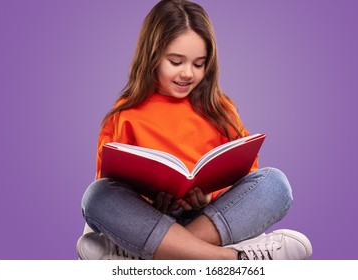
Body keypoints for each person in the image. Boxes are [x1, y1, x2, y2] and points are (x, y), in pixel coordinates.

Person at [77, 0, 312, 260]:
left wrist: (210, 196)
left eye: (198, 64)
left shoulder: (219, 107)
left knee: (275, 184)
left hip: (211, 218)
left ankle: (152, 254)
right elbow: (110, 183)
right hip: (150, 219)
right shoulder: (124, 115)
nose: (188, 73)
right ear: (152, 56)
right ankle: (231, 259)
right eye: (176, 62)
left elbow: (249, 174)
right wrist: (149, 202)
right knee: (97, 197)